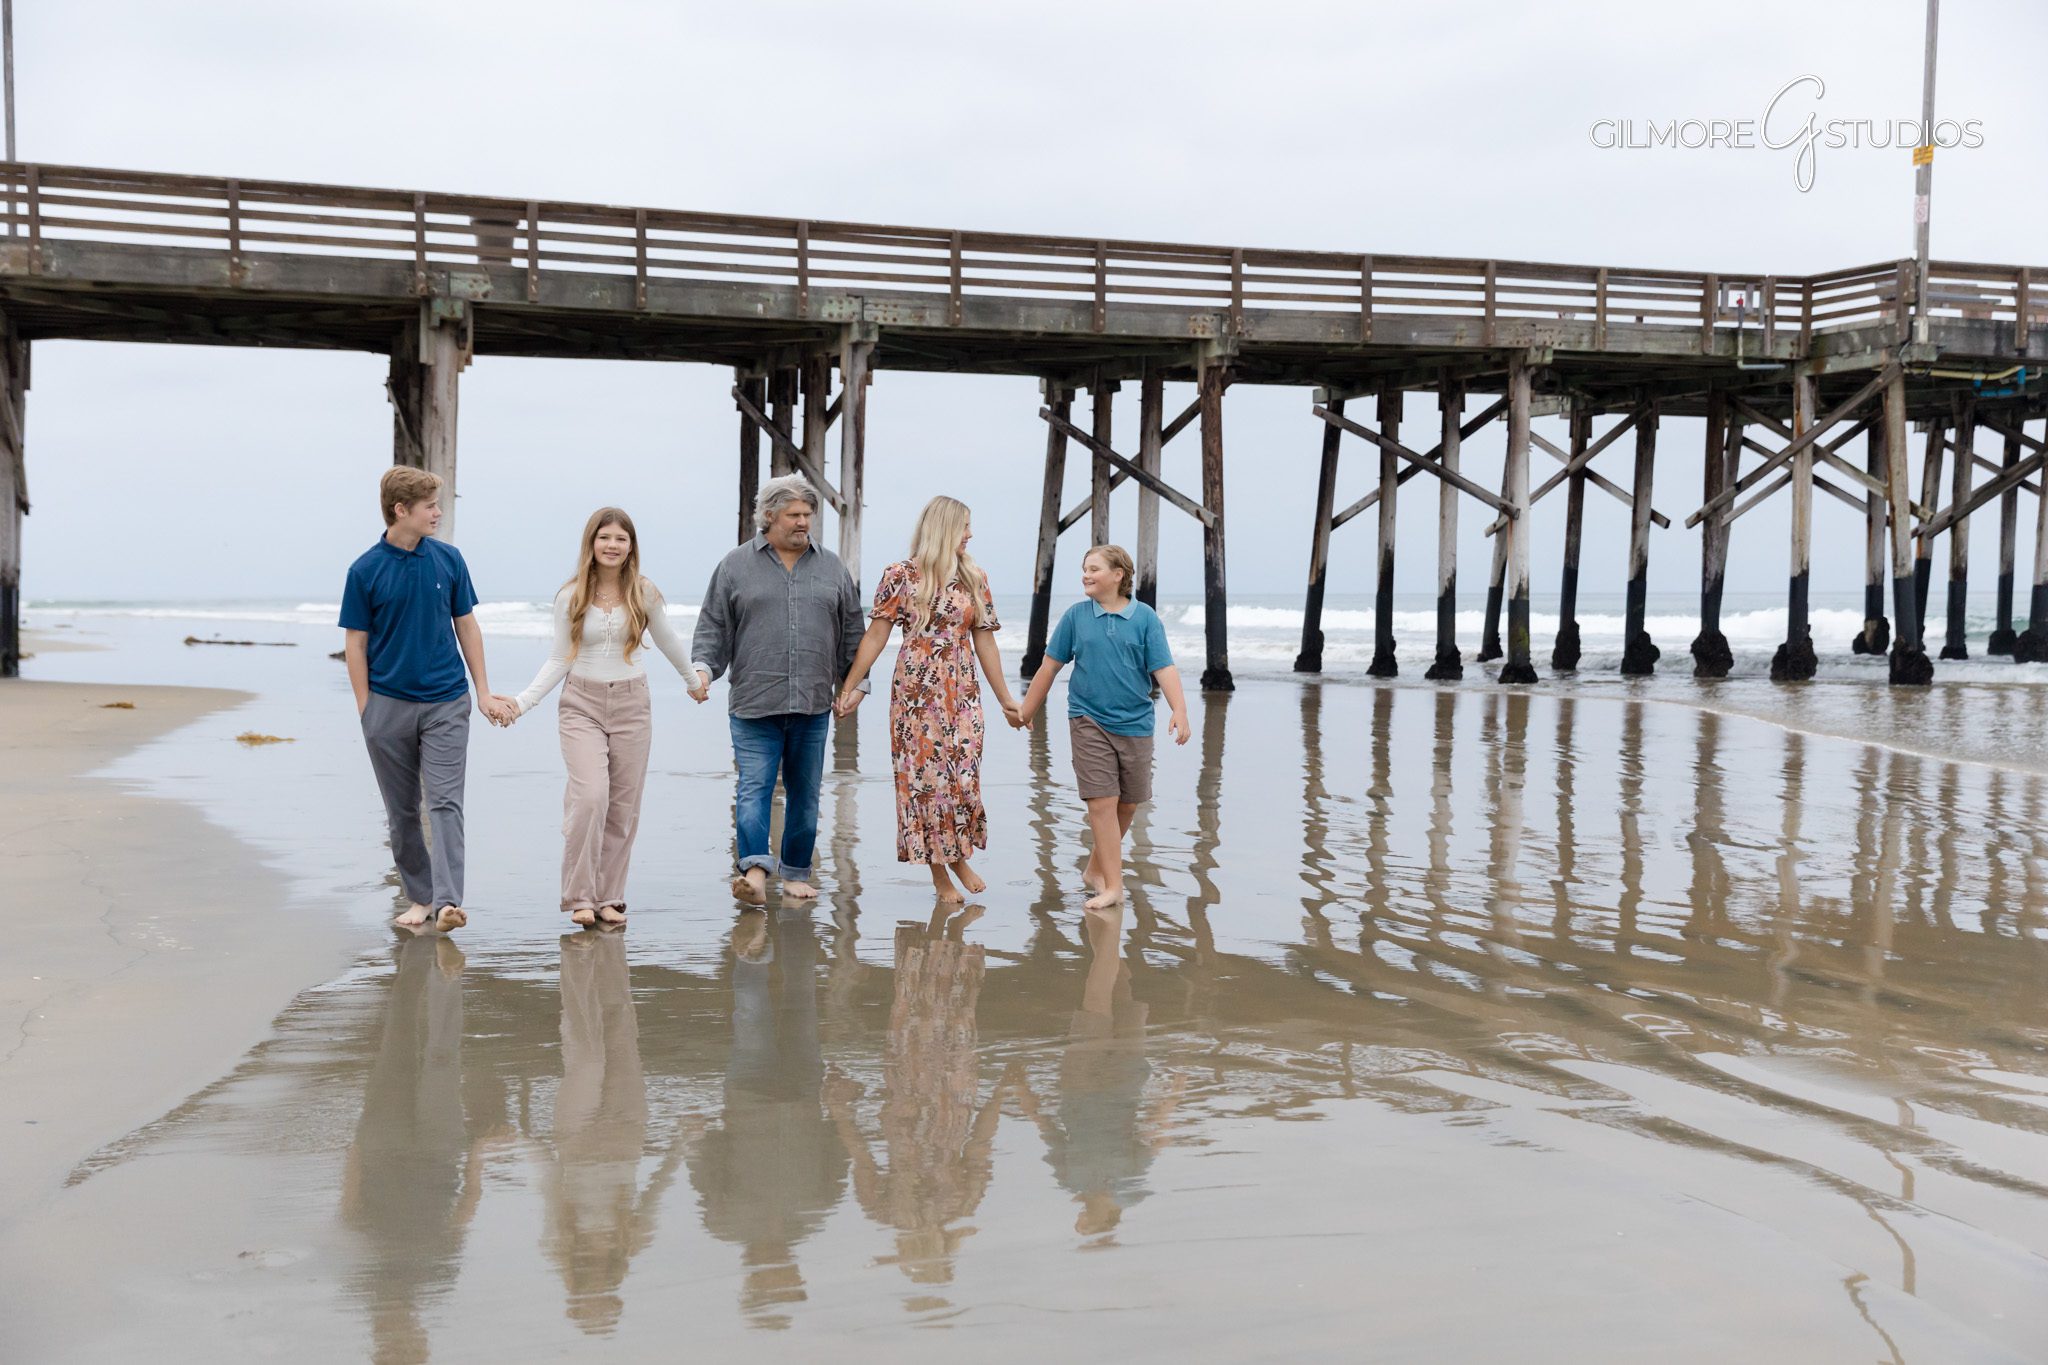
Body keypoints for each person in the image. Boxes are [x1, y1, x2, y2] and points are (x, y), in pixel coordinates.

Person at [507, 507, 703, 927]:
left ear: (631, 547)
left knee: (623, 807)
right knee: (590, 797)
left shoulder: (644, 593)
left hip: (633, 704)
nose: (612, 545)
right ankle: (579, 896)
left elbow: (667, 640)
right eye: (605, 538)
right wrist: (523, 703)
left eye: (621, 539)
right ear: (591, 544)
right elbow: (560, 656)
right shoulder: (571, 595)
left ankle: (609, 897)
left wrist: (692, 680)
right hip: (581, 703)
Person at [339, 467, 516, 933]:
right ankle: (419, 896)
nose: (438, 513)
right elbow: (355, 643)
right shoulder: (364, 570)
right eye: (430, 506)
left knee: (444, 804)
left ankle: (448, 903)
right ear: (402, 510)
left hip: (446, 701)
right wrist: (367, 710)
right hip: (387, 706)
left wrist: (481, 690)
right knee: (401, 812)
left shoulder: (450, 560)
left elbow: (467, 625)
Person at [836, 496, 1024, 903]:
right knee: (924, 782)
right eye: (964, 527)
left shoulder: (973, 576)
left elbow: (986, 641)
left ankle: (957, 855)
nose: (971, 535)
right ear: (943, 529)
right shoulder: (899, 575)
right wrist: (851, 685)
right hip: (916, 693)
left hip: (962, 690)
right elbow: (877, 635)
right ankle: (943, 875)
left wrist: (1007, 699)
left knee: (964, 777)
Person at [690, 474, 866, 905]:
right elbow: (713, 628)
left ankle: (794, 874)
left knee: (806, 793)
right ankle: (753, 870)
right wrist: (702, 671)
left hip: (812, 703)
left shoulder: (832, 567)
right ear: (769, 517)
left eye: (808, 514)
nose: (804, 522)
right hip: (754, 701)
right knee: (755, 787)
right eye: (794, 514)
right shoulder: (734, 565)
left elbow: (853, 632)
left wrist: (857, 683)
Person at [1016, 544, 1190, 910]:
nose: (1086, 575)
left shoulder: (1145, 618)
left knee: (1128, 804)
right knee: (1102, 802)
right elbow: (1049, 667)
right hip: (1088, 719)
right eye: (1084, 569)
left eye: (1094, 568)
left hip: (1136, 723)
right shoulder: (1076, 617)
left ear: (1118, 575)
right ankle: (1113, 885)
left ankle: (1096, 869)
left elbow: (1164, 667)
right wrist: (1025, 710)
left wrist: (1180, 710)